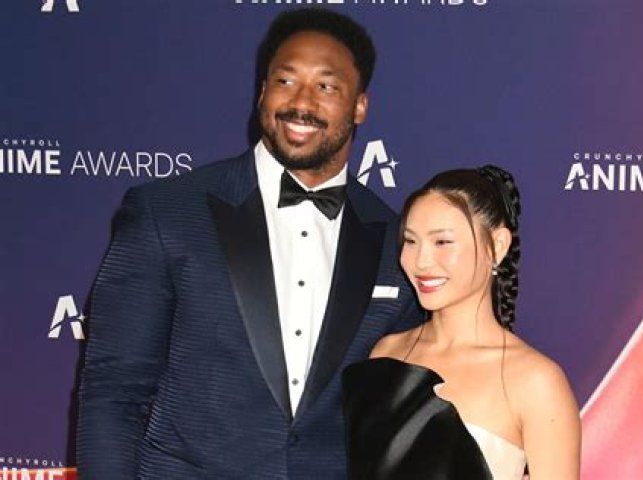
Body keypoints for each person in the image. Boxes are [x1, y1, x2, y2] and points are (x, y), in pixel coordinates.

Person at [76, 8, 421, 479]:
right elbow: (114, 390)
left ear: (360, 105)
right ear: (262, 92)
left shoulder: (395, 240)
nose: (301, 102)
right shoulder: (167, 213)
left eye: (326, 86)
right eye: (285, 80)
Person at [343, 166, 581, 480]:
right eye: (410, 241)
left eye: (442, 242)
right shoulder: (387, 353)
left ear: (497, 245)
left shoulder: (536, 381)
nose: (421, 261)